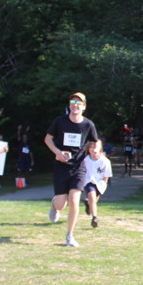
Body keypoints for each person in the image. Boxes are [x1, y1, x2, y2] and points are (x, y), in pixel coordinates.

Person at [45, 92, 99, 248]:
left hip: (78, 167)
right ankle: (55, 204)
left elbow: (95, 141)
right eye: (73, 102)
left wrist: (95, 150)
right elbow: (48, 139)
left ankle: (70, 236)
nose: (75, 105)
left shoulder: (88, 125)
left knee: (75, 200)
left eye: (79, 103)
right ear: (69, 105)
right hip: (61, 166)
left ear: (84, 107)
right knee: (61, 205)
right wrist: (57, 152)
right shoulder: (60, 121)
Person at [83, 139, 113, 228]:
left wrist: (103, 185)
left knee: (93, 201)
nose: (93, 149)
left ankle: (88, 204)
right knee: (92, 196)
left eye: (95, 147)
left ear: (100, 148)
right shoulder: (85, 160)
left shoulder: (105, 161)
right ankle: (94, 218)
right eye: (91, 147)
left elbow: (106, 176)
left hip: (100, 183)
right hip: (88, 181)